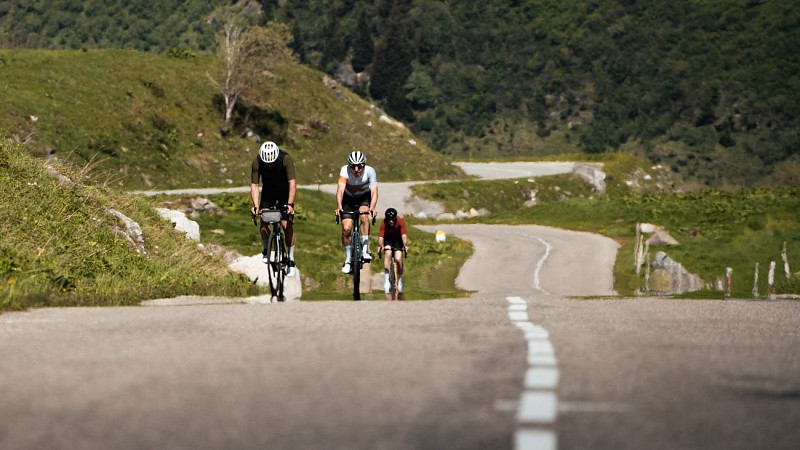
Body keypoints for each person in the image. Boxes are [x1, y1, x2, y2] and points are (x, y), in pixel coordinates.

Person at [250, 141, 297, 277]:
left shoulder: (285, 159)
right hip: (268, 192)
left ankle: (291, 259)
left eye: (271, 163)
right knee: (264, 221)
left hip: (284, 192)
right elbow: (254, 185)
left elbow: (292, 184)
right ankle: (266, 249)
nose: (269, 165)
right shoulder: (257, 161)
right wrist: (256, 206)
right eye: (266, 163)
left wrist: (290, 204)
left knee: (286, 224)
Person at [334, 150, 378, 274]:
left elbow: (374, 192)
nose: (357, 169)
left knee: (364, 217)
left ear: (364, 165)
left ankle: (365, 250)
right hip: (347, 199)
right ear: (349, 166)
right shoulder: (344, 170)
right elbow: (340, 190)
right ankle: (348, 259)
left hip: (363, 198)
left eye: (360, 166)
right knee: (346, 229)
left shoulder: (370, 171)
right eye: (353, 166)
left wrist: (372, 207)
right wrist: (338, 206)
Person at [378, 207, 408, 300]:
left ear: (395, 218)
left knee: (398, 259)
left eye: (392, 219)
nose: (391, 221)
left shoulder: (400, 221)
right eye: (389, 220)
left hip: (398, 240)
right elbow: (381, 237)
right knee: (388, 254)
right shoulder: (383, 223)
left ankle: (399, 279)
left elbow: (404, 235)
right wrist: (380, 246)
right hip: (388, 240)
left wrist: (405, 245)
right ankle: (387, 279)